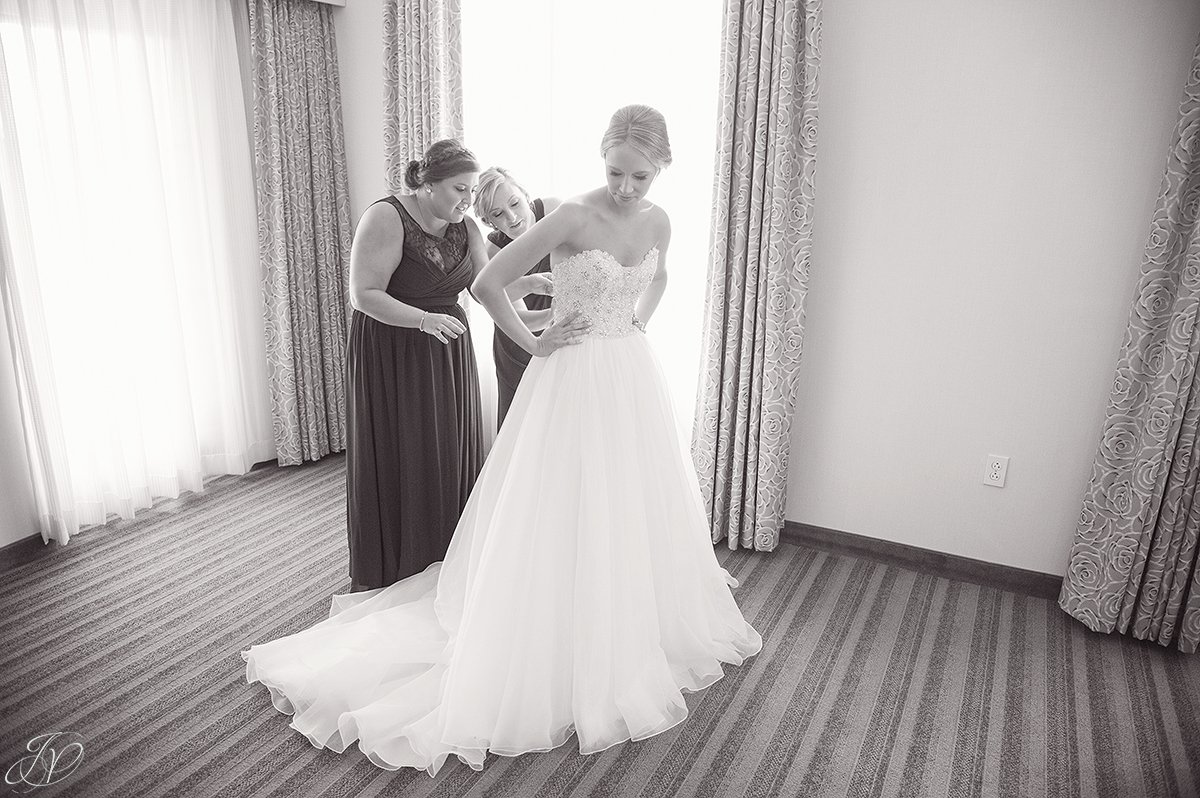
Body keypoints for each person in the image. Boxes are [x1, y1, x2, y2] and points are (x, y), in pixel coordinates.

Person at [242, 106, 761, 775]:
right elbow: (486, 284)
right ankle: (554, 616)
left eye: (640, 175)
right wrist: (537, 341)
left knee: (628, 492)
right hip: (570, 373)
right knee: (562, 495)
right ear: (600, 162)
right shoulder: (573, 214)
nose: (627, 187)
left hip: (628, 370)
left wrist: (636, 326)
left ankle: (622, 609)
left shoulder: (659, 220)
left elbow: (658, 277)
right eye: (615, 172)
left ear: (661, 169)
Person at [472, 167, 559, 427]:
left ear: (525, 195)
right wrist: (555, 314)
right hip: (520, 342)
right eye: (498, 214)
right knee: (523, 428)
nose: (511, 218)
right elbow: (522, 321)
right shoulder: (493, 254)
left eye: (514, 203)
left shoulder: (555, 212)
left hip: (563, 333)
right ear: (490, 222)